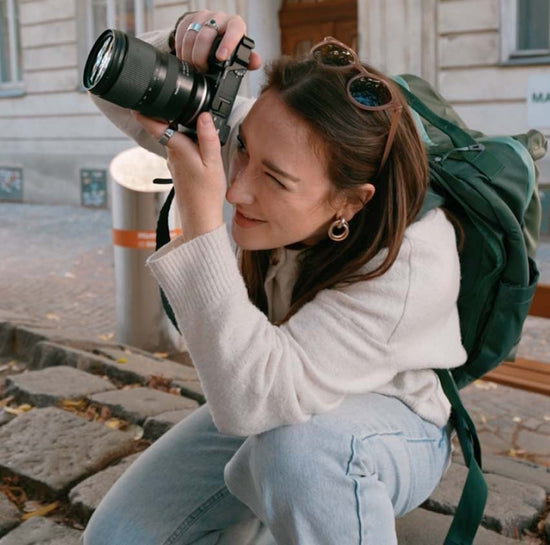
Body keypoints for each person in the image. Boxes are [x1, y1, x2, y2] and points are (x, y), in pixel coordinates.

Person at [82, 10, 466, 545]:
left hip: (392, 422)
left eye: (276, 180)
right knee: (118, 539)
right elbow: (112, 91)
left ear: (349, 203)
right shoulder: (270, 136)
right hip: (276, 386)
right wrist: (182, 40)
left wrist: (198, 218)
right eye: (242, 150)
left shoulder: (413, 263)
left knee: (302, 457)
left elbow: (247, 399)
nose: (236, 189)